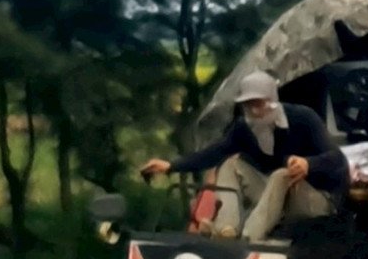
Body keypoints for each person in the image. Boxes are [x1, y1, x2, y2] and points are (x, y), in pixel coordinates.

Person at [141, 71, 349, 240]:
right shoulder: (244, 128)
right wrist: (171, 166)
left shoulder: (303, 118)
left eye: (259, 103)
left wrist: (308, 164)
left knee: (281, 175)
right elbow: (214, 152)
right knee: (231, 165)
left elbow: (338, 159)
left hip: (317, 200)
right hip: (275, 198)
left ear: (273, 99)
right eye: (249, 105)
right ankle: (226, 231)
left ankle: (248, 239)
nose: (255, 111)